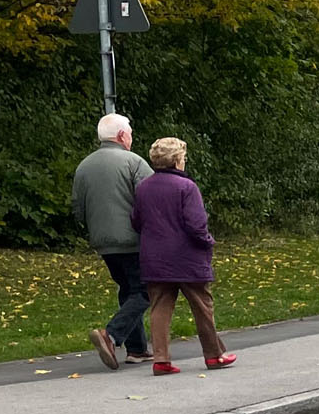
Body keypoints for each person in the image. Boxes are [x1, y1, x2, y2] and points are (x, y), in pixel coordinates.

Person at [131, 137, 237, 375]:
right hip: (187, 257)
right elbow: (196, 225)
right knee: (202, 306)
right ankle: (213, 355)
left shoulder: (143, 187)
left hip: (155, 257)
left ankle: (161, 359)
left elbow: (136, 221)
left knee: (159, 306)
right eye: (183, 158)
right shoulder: (187, 187)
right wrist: (209, 242)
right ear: (177, 160)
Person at [71, 113, 154, 369]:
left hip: (103, 242)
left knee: (128, 289)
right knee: (145, 291)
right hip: (132, 239)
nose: (131, 137)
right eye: (129, 132)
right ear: (121, 136)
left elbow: (78, 209)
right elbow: (151, 201)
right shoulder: (134, 162)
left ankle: (137, 348)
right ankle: (111, 335)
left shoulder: (84, 166)